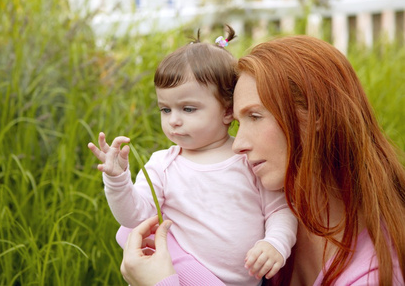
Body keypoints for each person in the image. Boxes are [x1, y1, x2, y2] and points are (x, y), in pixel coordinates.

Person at [119, 34, 405, 285]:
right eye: (239, 122)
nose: (238, 145)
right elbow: (134, 226)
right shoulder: (281, 214)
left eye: (255, 116)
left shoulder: (372, 275)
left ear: (316, 116)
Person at [88, 26, 297, 286]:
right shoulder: (163, 165)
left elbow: (279, 210)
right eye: (165, 109)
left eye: (188, 109)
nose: (174, 121)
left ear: (227, 110)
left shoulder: (248, 159)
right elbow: (135, 218)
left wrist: (275, 243)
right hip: (183, 277)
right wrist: (118, 180)